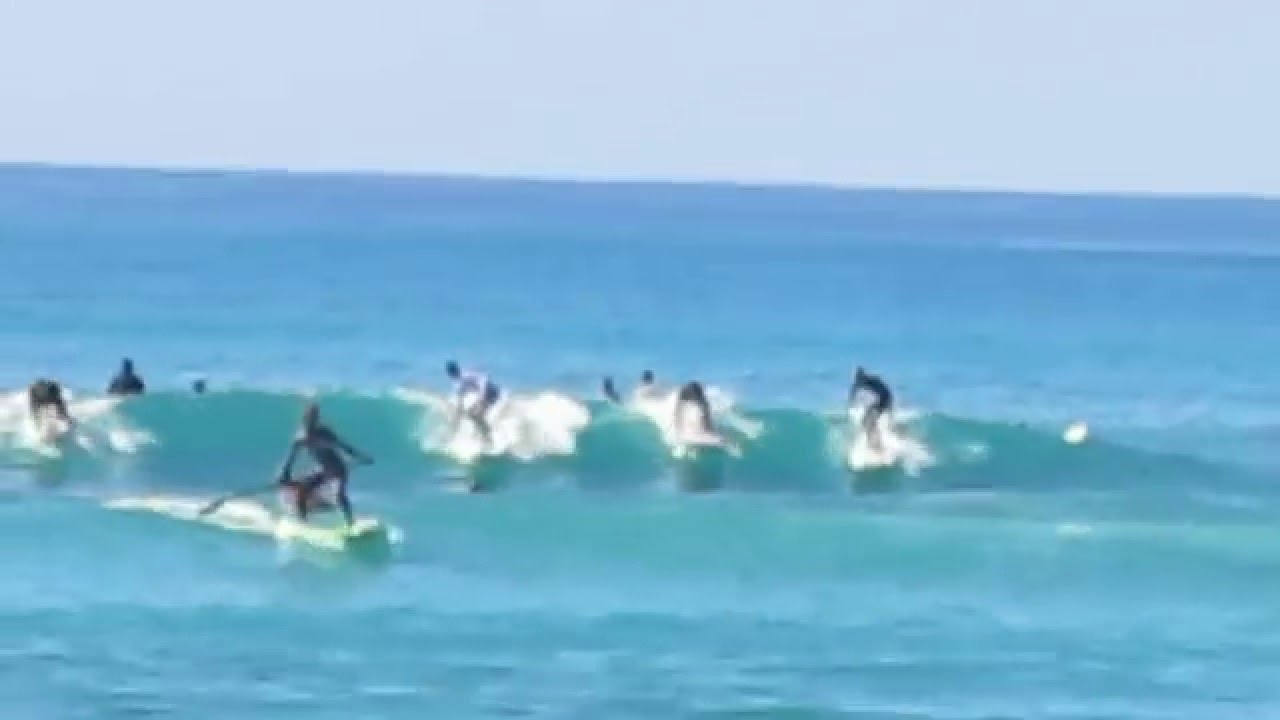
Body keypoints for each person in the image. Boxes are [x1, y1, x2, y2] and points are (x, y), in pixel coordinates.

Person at [276, 402, 373, 527]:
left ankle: (350, 523)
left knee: (340, 496)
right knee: (303, 491)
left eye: (314, 418)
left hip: (338, 469)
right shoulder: (300, 439)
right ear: (304, 419)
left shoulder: (324, 434)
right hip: (324, 471)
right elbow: (290, 459)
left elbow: (345, 447)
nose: (312, 421)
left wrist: (362, 457)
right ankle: (304, 524)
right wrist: (285, 474)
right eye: (309, 418)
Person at [445, 361, 501, 444]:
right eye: (451, 373)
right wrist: (456, 420)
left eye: (452, 372)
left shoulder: (467, 375)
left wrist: (480, 399)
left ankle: (489, 437)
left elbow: (484, 380)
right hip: (486, 394)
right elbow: (460, 404)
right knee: (472, 414)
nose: (452, 375)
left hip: (491, 391)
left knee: (475, 415)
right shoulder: (458, 384)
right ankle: (485, 435)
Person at [849, 367, 893, 451]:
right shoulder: (860, 382)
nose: (859, 381)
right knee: (865, 421)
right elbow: (853, 391)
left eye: (860, 378)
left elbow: (886, 392)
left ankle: (877, 443)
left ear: (864, 376)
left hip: (885, 399)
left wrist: (890, 409)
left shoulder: (873, 379)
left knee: (868, 420)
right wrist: (851, 402)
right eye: (858, 379)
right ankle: (874, 442)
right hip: (880, 400)